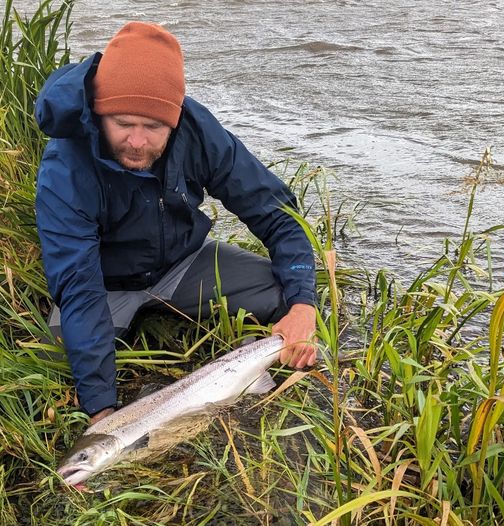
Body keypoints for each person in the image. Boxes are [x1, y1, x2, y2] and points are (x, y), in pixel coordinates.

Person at [35, 21, 317, 425]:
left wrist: (304, 306)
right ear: (99, 114)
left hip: (183, 263)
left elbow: (277, 214)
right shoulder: (65, 165)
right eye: (123, 123)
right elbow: (78, 283)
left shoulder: (198, 130)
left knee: (289, 292)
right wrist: (103, 415)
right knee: (60, 354)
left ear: (174, 119)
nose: (136, 141)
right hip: (104, 281)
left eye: (152, 127)